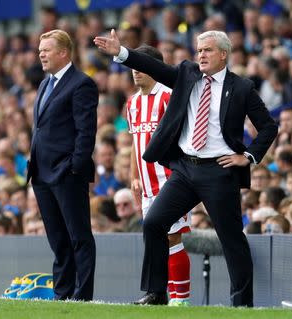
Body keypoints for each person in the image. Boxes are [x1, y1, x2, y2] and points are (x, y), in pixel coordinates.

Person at [95, 29, 278, 306]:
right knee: (154, 222)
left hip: (219, 170)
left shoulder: (241, 87)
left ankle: (242, 304)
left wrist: (249, 156)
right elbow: (153, 66)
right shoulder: (186, 74)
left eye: (207, 50)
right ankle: (156, 293)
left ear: (223, 54)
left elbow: (268, 127)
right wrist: (122, 53)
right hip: (184, 169)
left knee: (231, 239)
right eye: (199, 50)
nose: (201, 55)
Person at [27, 29, 98, 301]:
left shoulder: (82, 84)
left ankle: (82, 295)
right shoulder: (45, 83)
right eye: (40, 49)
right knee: (57, 239)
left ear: (63, 53)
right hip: (42, 174)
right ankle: (62, 292)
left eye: (46, 49)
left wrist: (75, 167)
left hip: (67, 173)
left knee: (78, 236)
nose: (41, 54)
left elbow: (85, 131)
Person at [126, 45, 191, 306]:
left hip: (171, 181)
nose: (135, 72)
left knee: (172, 236)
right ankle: (158, 295)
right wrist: (134, 175)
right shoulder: (132, 103)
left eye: (141, 66)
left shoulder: (169, 97)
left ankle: (180, 299)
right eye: (133, 67)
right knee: (156, 239)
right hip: (147, 184)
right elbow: (135, 142)